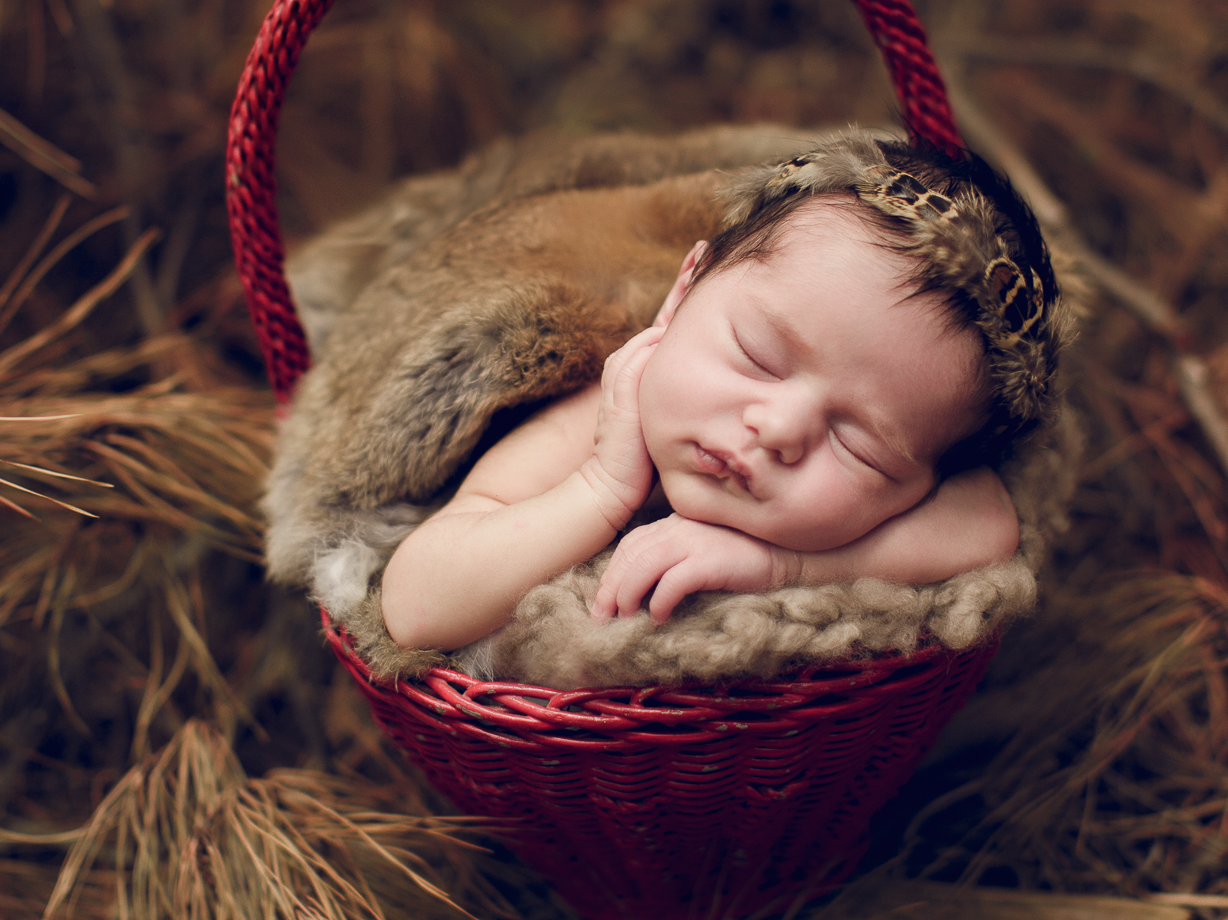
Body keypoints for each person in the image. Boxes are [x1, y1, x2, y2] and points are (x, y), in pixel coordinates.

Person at [381, 135, 1062, 655]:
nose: (778, 427)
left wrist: (779, 562)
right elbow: (415, 604)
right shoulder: (611, 413)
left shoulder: (902, 494)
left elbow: (990, 523)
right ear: (683, 294)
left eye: (859, 444)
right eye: (758, 357)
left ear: (919, 484)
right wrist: (600, 487)